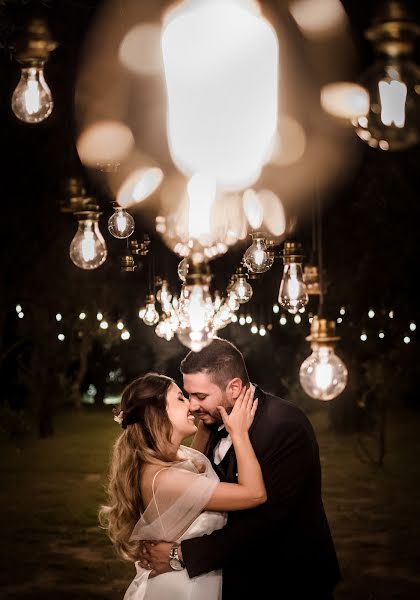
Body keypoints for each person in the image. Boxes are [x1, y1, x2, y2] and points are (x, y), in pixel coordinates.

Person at [137, 338, 342, 599]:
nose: (192, 405)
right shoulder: (211, 422)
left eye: (200, 396)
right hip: (232, 579)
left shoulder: (284, 427)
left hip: (286, 581)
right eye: (188, 395)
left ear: (234, 388)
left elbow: (265, 525)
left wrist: (181, 555)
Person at [98, 371, 265, 600]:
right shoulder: (166, 480)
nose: (191, 404)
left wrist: (206, 421)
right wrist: (239, 433)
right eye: (180, 398)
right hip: (184, 589)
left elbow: (196, 462)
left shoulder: (163, 461)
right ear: (157, 414)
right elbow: (254, 494)